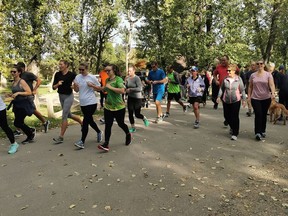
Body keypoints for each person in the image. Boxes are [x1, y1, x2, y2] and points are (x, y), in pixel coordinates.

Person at [96, 64, 131, 152]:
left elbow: (122, 90)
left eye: (109, 70)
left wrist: (110, 87)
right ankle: (106, 144)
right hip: (108, 106)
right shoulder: (107, 80)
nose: (107, 72)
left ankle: (128, 133)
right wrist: (94, 87)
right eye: (106, 70)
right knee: (108, 125)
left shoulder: (118, 79)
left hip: (119, 107)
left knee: (120, 123)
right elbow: (104, 89)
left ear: (114, 71)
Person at [72, 63, 103, 149]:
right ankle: (99, 131)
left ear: (87, 69)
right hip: (83, 103)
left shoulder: (92, 77)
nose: (81, 71)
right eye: (80, 69)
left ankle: (82, 141)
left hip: (91, 102)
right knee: (90, 120)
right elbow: (76, 90)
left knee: (85, 120)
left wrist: (92, 85)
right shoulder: (77, 77)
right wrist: (75, 85)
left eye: (83, 69)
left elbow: (99, 88)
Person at [14, 62, 50, 135]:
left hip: (28, 96)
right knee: (16, 111)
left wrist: (35, 89)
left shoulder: (28, 74)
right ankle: (18, 130)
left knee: (32, 110)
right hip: (19, 98)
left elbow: (39, 80)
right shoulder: (18, 75)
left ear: (22, 68)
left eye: (18, 68)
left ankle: (45, 122)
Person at [52, 60, 82, 144]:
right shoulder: (57, 74)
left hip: (69, 96)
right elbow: (53, 87)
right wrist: (57, 84)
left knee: (64, 115)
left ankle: (61, 137)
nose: (59, 66)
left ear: (66, 65)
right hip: (61, 96)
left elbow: (78, 83)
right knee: (68, 114)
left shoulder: (72, 74)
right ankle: (81, 121)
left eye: (61, 64)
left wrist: (73, 86)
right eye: (59, 64)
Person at [217, 64, 246, 140]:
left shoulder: (238, 79)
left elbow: (242, 90)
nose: (228, 72)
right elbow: (221, 89)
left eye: (229, 70)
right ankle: (233, 127)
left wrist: (244, 100)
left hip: (236, 100)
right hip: (226, 100)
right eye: (227, 70)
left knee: (235, 116)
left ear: (234, 71)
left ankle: (235, 133)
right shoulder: (225, 79)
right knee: (226, 115)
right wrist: (218, 97)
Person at [248, 60, 276, 141]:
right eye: (258, 64)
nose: (259, 65)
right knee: (258, 114)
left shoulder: (268, 75)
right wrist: (249, 97)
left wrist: (273, 93)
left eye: (261, 63)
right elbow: (250, 86)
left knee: (263, 115)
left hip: (266, 98)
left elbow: (271, 84)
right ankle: (257, 132)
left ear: (264, 65)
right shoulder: (253, 75)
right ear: (256, 65)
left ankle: (263, 130)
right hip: (255, 98)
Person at [10, 65, 36, 144]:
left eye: (14, 72)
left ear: (19, 72)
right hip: (16, 104)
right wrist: (10, 94)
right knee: (18, 122)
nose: (12, 73)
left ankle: (30, 134)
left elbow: (29, 92)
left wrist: (18, 93)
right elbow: (14, 92)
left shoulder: (22, 81)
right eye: (11, 71)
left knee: (17, 122)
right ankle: (30, 130)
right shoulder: (14, 82)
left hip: (24, 104)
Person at [125, 64, 150, 133]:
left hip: (137, 98)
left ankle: (144, 118)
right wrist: (125, 83)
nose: (128, 72)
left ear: (134, 71)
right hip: (130, 98)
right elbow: (126, 87)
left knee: (137, 114)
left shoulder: (137, 78)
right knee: (130, 113)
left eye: (130, 71)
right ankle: (133, 127)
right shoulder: (128, 78)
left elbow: (140, 88)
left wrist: (131, 89)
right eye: (128, 71)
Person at [213, 55, 230, 126]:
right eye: (222, 60)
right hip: (222, 89)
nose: (223, 62)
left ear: (228, 60)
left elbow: (238, 74)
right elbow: (214, 74)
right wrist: (216, 80)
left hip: (231, 90)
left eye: (224, 60)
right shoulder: (218, 67)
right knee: (225, 106)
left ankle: (229, 119)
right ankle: (227, 118)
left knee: (231, 106)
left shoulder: (232, 67)